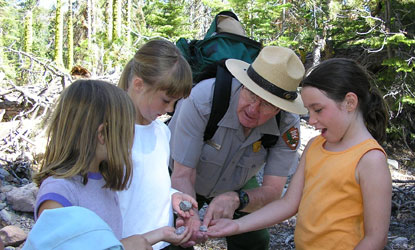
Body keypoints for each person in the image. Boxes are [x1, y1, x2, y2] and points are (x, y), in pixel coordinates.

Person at [207, 58, 392, 250]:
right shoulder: (315, 146)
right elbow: (288, 204)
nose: (311, 120)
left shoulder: (370, 159)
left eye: (318, 109)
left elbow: (375, 239)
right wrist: (237, 225)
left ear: (350, 102)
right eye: (309, 111)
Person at [168, 46, 308, 249]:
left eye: (267, 104)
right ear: (243, 83)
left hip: (236, 182)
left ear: (280, 108)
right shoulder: (203, 98)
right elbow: (182, 174)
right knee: (174, 237)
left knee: (255, 242)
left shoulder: (286, 125)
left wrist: (238, 199)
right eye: (251, 94)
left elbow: (273, 191)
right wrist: (190, 217)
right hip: (184, 175)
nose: (253, 109)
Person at [33, 79, 188, 250]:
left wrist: (161, 234)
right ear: (103, 134)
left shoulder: (103, 179)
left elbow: (108, 241)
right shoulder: (58, 193)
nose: (132, 138)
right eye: (128, 130)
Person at [117, 39, 197, 250]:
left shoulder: (162, 131)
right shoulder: (109, 134)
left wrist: (172, 195)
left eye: (175, 102)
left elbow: (148, 184)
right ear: (138, 84)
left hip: (163, 242)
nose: (170, 110)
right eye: (165, 100)